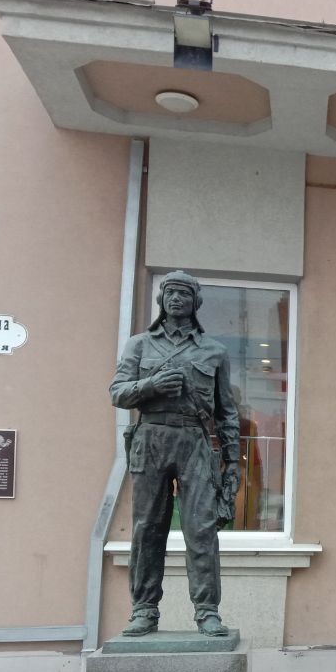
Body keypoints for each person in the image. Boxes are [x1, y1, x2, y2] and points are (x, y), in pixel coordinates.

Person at [109, 271, 240, 637]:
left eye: (184, 293)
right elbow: (117, 392)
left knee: (201, 529)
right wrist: (150, 385)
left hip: (194, 441)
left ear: (195, 302)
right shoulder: (139, 345)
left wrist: (232, 463)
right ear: (162, 299)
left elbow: (227, 412)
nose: (176, 299)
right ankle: (144, 609)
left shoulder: (214, 351)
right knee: (147, 528)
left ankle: (207, 610)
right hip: (150, 438)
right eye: (170, 293)